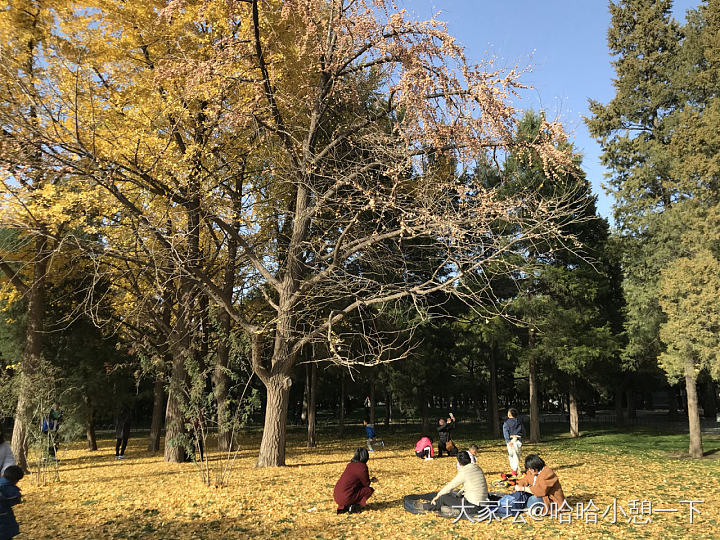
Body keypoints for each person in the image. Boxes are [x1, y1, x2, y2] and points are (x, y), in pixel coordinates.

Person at [333, 448, 376, 514]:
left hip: (337, 495)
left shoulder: (349, 465)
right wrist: (372, 480)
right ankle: (354, 506)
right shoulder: (362, 466)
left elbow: (352, 481)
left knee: (354, 490)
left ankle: (347, 506)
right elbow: (366, 484)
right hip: (346, 496)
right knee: (368, 490)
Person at [0, 465, 23, 540]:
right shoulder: (9, 488)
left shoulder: (1, 481)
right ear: (15, 480)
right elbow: (15, 499)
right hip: (3, 517)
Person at [502, 408, 524, 475]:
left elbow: (505, 432)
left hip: (511, 441)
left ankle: (514, 472)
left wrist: (508, 441)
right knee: (517, 456)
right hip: (518, 440)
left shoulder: (506, 423)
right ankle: (517, 470)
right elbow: (523, 431)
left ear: (509, 414)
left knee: (512, 456)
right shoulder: (519, 422)